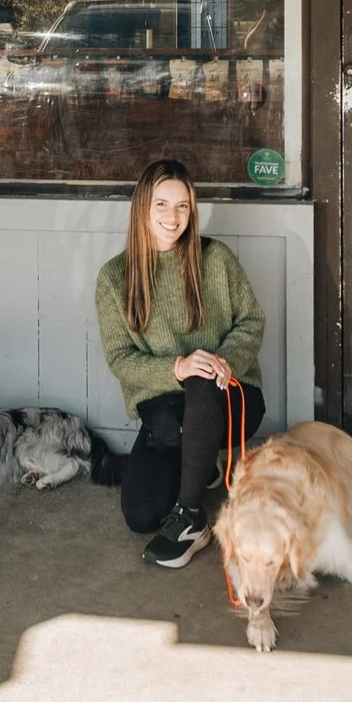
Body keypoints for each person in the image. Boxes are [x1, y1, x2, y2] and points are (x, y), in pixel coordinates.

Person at [95, 159, 266, 568]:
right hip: (167, 417)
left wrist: (224, 361)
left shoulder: (216, 259)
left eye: (183, 206)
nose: (173, 217)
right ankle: (201, 462)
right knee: (140, 516)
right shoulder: (115, 278)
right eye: (162, 204)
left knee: (202, 380)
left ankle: (190, 517)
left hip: (231, 397)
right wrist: (177, 367)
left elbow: (252, 320)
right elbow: (121, 359)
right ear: (142, 207)